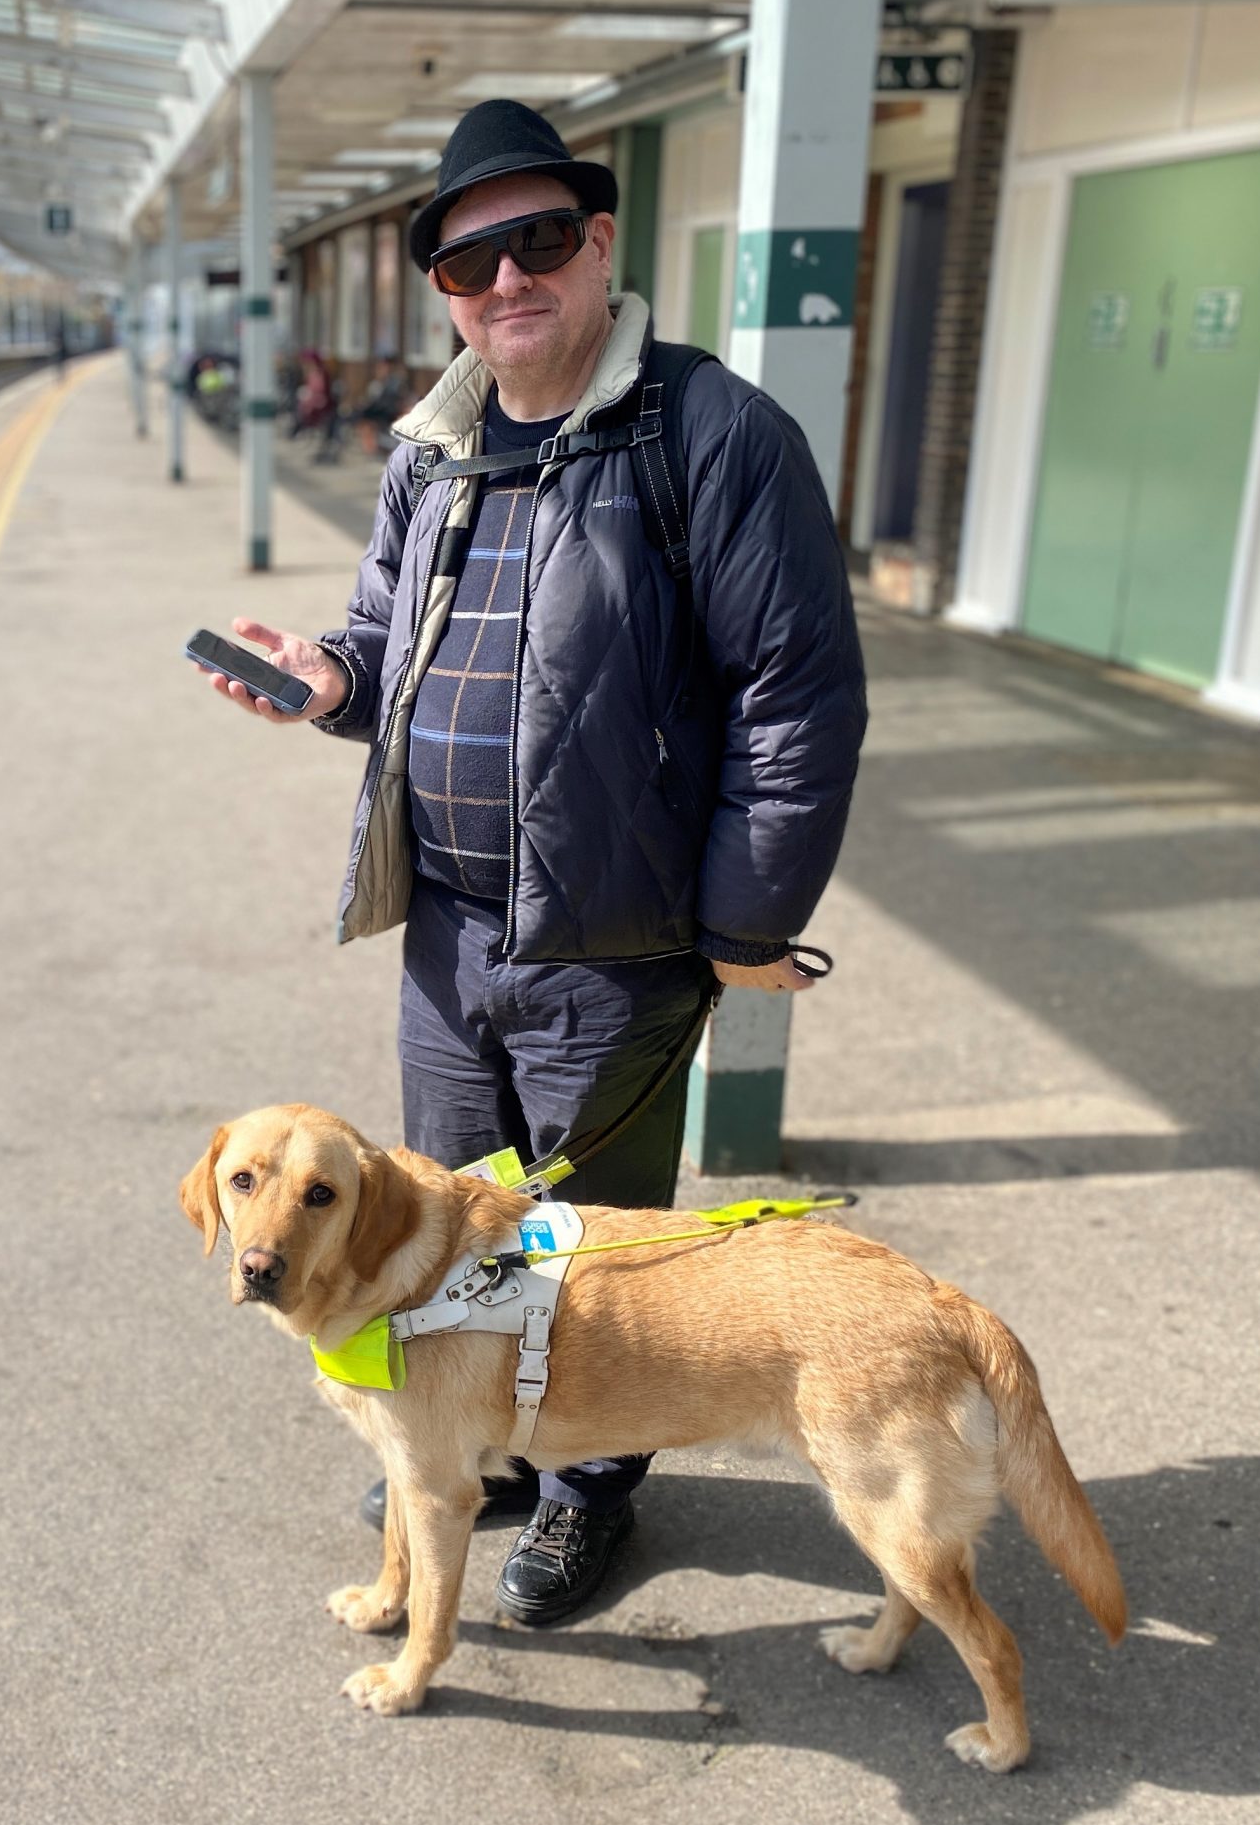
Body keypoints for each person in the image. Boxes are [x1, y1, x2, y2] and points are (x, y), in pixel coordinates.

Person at [191, 99, 865, 1626]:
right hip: (451, 936)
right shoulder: (431, 447)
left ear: (600, 243)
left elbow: (796, 688)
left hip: (615, 946)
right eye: (468, 258)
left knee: (592, 1249)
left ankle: (590, 1489)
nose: (507, 281)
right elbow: (390, 647)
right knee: (452, 1220)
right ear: (442, 285)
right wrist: (329, 682)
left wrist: (751, 919)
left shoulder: (710, 429)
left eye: (538, 241)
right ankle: (477, 1448)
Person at [354, 354, 408, 456]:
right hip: (380, 410)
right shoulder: (377, 384)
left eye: (384, 367)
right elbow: (373, 400)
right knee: (360, 413)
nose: (381, 370)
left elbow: (391, 401)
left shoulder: (394, 383)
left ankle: (374, 444)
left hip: (387, 412)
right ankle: (371, 444)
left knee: (365, 415)